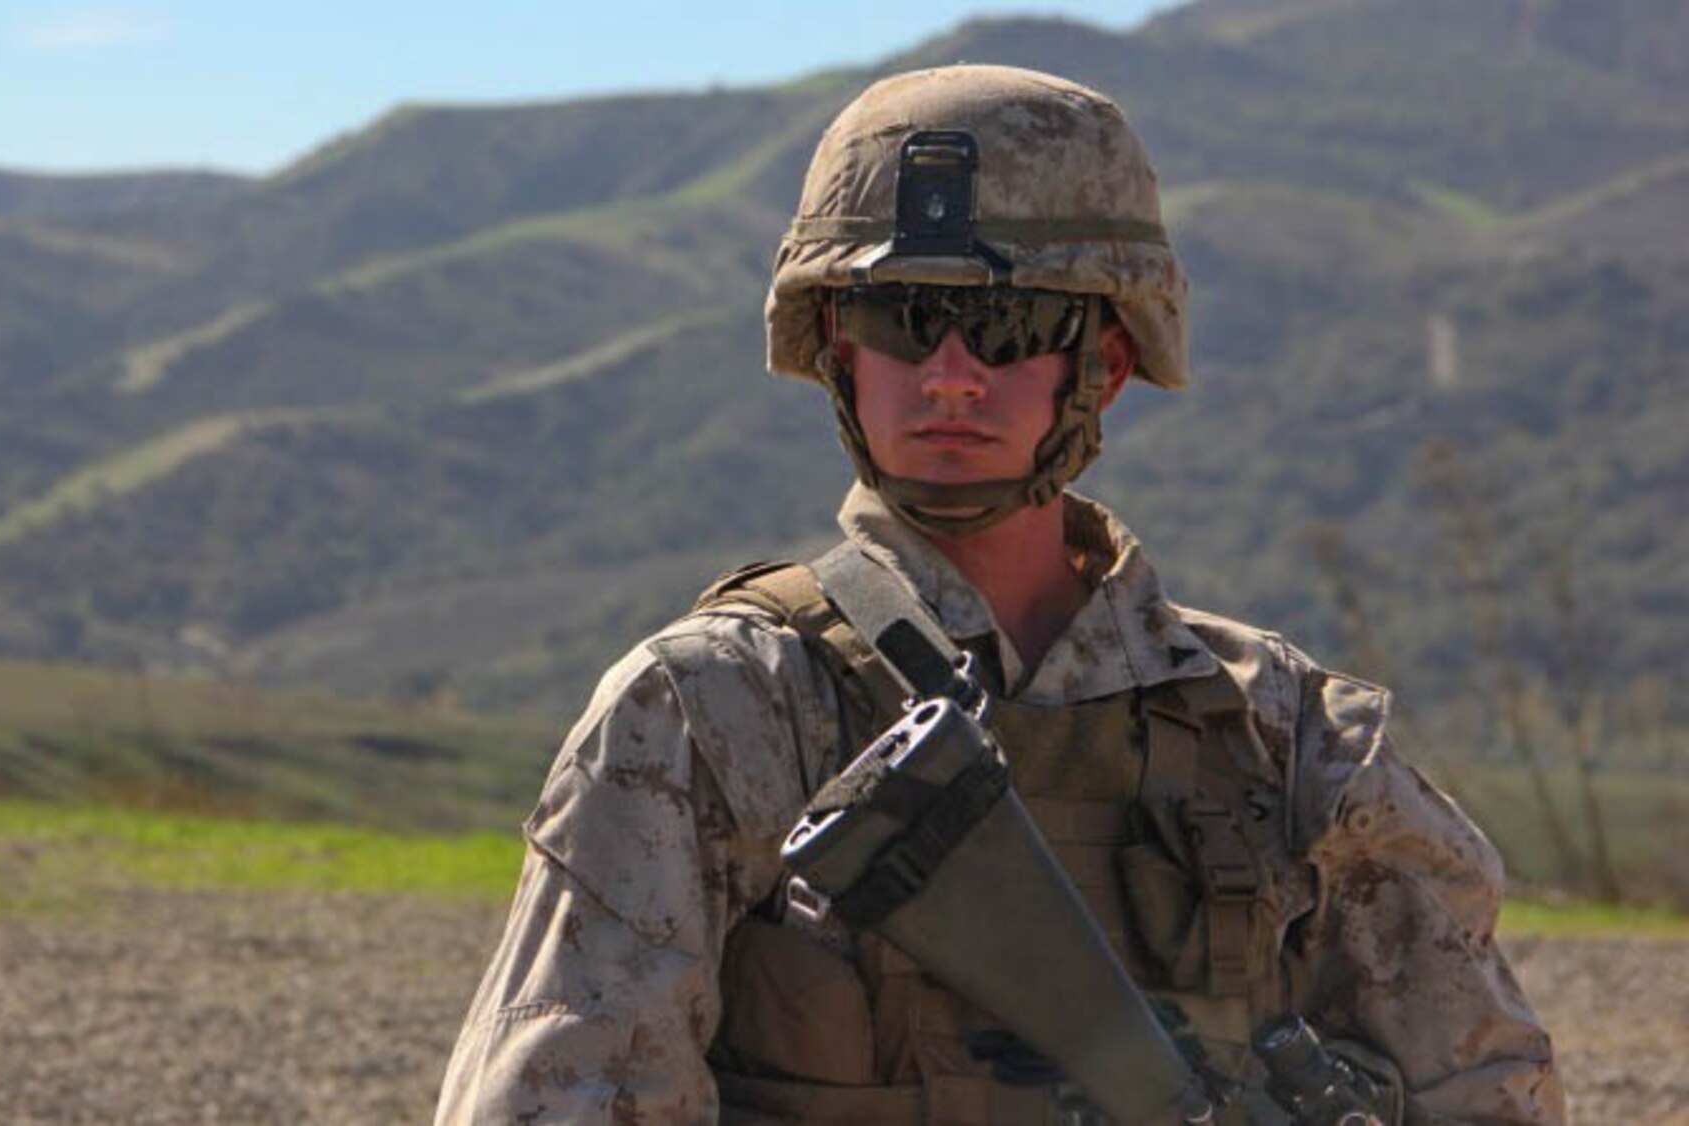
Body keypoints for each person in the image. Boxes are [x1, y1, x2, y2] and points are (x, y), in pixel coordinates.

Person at [436, 65, 1563, 1124]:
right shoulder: (713, 708)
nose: (950, 374)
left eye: (1011, 327)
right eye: (900, 319)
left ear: (1105, 364)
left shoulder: (1284, 735)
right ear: (837, 346)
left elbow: (1481, 1085)